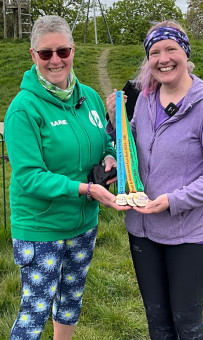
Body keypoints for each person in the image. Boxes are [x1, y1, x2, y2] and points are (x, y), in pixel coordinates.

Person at [4, 15, 130, 340]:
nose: (56, 60)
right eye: (46, 53)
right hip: (40, 229)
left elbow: (107, 142)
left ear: (72, 50)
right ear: (33, 56)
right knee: (35, 312)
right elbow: (30, 177)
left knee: (70, 301)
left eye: (62, 50)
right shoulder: (23, 109)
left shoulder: (87, 96)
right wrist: (86, 188)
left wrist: (110, 159)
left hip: (83, 225)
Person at [106, 20, 203, 340]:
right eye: (155, 52)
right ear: (148, 59)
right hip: (142, 231)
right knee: (158, 322)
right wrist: (115, 136)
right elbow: (132, 144)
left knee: (187, 323)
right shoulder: (146, 98)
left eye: (171, 49)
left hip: (188, 234)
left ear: (185, 53)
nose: (163, 58)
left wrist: (174, 200)